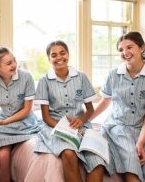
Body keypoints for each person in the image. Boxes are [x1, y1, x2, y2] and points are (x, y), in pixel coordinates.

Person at [91, 32, 145, 182]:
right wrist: (83, 119)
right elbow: (104, 102)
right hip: (118, 127)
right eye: (121, 50)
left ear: (141, 48)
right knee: (131, 166)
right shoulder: (113, 75)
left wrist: (140, 142)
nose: (125, 53)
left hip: (144, 128)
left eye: (129, 47)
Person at [34, 40, 105, 182]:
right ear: (49, 59)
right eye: (54, 55)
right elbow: (46, 117)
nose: (59, 57)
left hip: (81, 125)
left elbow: (90, 110)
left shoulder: (81, 77)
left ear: (68, 54)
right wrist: (65, 128)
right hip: (55, 125)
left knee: (97, 161)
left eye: (62, 53)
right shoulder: (44, 81)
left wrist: (82, 120)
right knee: (69, 154)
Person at [0, 45, 41, 182]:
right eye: (9, 63)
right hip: (4, 122)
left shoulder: (26, 77)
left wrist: (4, 122)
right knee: (1, 156)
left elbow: (27, 110)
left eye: (14, 60)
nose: (14, 64)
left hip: (25, 121)